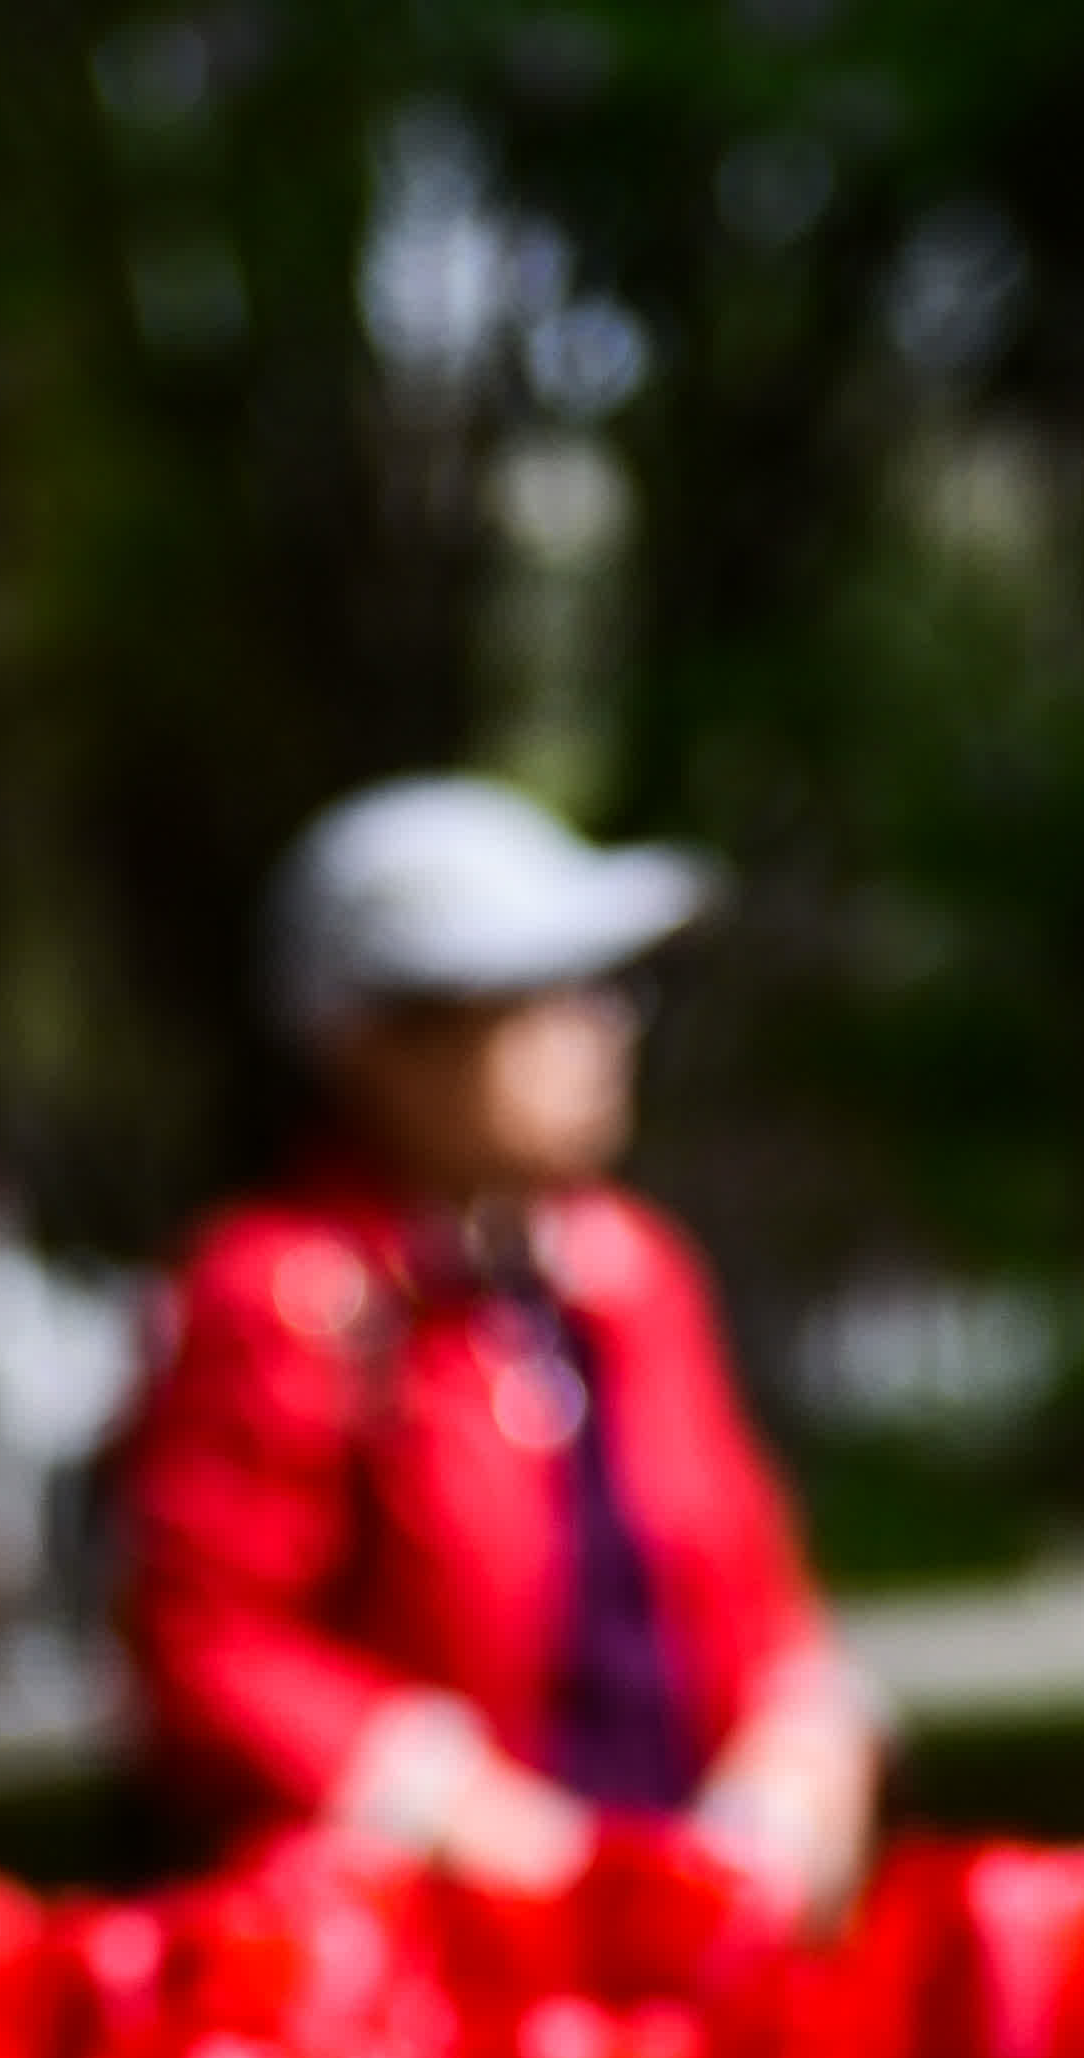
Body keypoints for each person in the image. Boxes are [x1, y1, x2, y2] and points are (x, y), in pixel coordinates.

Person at [120, 776, 873, 1912]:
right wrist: (468, 1819)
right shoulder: (287, 1296)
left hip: (686, 1941)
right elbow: (209, 1644)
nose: (600, 1028)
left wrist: (795, 1777)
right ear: (381, 1046)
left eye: (605, 988)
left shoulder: (634, 1273)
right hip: (437, 1979)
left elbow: (757, 1588)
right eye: (537, 995)